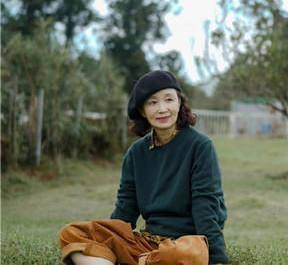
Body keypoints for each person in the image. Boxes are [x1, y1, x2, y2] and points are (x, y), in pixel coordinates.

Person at [58, 70, 229, 264]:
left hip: (187, 243)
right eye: (152, 102)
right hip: (147, 242)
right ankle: (143, 260)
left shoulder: (200, 146)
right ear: (142, 111)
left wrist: (217, 257)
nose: (162, 109)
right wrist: (109, 237)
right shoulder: (136, 153)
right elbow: (125, 210)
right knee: (71, 233)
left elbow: (205, 206)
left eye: (169, 100)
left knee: (183, 255)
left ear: (179, 102)